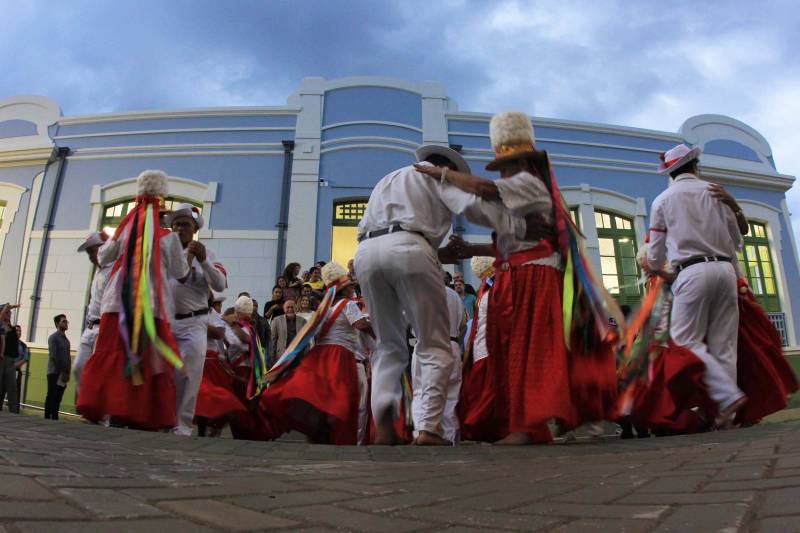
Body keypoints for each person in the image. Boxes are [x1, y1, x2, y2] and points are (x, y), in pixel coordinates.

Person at [414, 111, 620, 444]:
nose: (506, 172)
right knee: (515, 352)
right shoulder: (520, 192)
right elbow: (513, 238)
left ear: (524, 164)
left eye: (509, 166)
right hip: (517, 274)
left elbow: (483, 190)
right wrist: (469, 249)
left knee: (528, 351)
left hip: (534, 277)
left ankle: (529, 427)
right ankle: (541, 423)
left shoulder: (527, 184)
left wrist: (441, 174)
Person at [354, 143, 474, 446]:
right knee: (433, 343)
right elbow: (471, 208)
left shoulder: (388, 180)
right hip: (410, 248)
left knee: (389, 345)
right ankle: (429, 430)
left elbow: (401, 234)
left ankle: (384, 430)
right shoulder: (437, 178)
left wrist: (434, 251)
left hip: (366, 252)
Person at [77, 170, 190, 429]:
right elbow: (180, 272)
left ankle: (116, 410)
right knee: (145, 359)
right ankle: (140, 414)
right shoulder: (169, 238)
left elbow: (103, 258)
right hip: (152, 309)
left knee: (119, 356)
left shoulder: (124, 230)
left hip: (117, 306)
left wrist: (116, 240)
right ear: (161, 204)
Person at [645, 143, 747, 428]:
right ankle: (729, 417)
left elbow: (654, 256)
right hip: (725, 269)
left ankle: (728, 397)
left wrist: (654, 266)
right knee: (724, 345)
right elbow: (737, 240)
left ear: (671, 172)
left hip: (690, 272)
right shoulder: (716, 192)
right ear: (695, 166)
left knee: (685, 340)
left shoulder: (662, 201)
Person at [261, 262, 374, 444]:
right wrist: (383, 336)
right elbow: (361, 325)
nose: (352, 289)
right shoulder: (348, 305)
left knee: (322, 397)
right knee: (343, 399)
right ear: (344, 290)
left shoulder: (323, 309)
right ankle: (338, 437)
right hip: (339, 355)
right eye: (350, 287)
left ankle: (321, 434)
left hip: (321, 355)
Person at [165, 203, 227, 436]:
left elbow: (219, 284)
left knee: (189, 375)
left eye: (186, 225)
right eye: (177, 224)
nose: (180, 228)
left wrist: (203, 261)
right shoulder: (164, 255)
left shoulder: (208, 254)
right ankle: (161, 418)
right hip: (168, 322)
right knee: (165, 373)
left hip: (195, 323)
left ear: (194, 229)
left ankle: (182, 426)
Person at [411, 277, 466, 444]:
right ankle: (448, 437)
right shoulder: (454, 295)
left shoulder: (417, 294)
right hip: (451, 342)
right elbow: (463, 324)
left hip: (424, 343)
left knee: (421, 391)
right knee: (449, 395)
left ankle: (420, 432)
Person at [72, 232, 112, 395]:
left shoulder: (114, 268)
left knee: (101, 372)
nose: (91, 256)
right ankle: (89, 404)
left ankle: (101, 413)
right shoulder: (97, 272)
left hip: (104, 327)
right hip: (90, 327)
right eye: (89, 253)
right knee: (78, 367)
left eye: (92, 251)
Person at [45, 314, 71, 420]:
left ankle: (55, 417)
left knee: (59, 396)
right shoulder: (53, 338)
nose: (66, 323)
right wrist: (61, 371)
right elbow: (53, 356)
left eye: (66, 321)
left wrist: (68, 372)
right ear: (57, 324)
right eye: (63, 321)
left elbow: (68, 357)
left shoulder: (66, 340)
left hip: (63, 373)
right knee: (51, 394)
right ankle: (47, 416)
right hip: (54, 372)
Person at [270, 300, 307, 366]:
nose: (290, 309)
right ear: (284, 309)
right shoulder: (276, 320)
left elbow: (306, 340)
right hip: (281, 357)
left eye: (292, 307)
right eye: (288, 307)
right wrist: (272, 359)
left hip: (298, 356)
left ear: (296, 308)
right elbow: (273, 340)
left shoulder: (303, 321)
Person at [0, 303, 21, 413]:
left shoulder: (12, 327)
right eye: (7, 312)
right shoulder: (1, 325)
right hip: (2, 359)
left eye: (10, 312)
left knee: (12, 388)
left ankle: (14, 412)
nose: (9, 314)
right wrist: (11, 306)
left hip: (11, 360)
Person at [15, 325, 29, 408]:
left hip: (17, 370)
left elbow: (25, 358)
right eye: (17, 330)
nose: (19, 332)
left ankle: (15, 410)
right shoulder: (8, 342)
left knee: (16, 391)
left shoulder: (23, 345)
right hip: (6, 368)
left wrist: (17, 365)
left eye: (20, 331)